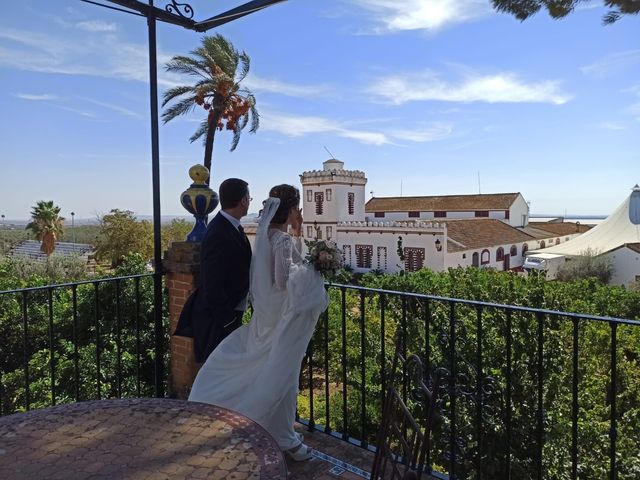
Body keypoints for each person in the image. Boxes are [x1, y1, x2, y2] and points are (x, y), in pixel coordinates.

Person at [188, 184, 328, 461]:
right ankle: (283, 437)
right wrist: (316, 265)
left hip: (265, 316)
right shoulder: (283, 240)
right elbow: (282, 280)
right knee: (283, 376)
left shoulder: (265, 234)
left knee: (275, 372)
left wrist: (298, 238)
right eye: (296, 208)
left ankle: (280, 432)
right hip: (280, 320)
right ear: (291, 209)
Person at [176, 178, 253, 363]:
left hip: (230, 313)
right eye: (249, 198)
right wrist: (228, 322)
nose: (250, 202)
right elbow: (212, 284)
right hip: (218, 319)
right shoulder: (220, 232)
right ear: (243, 200)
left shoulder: (232, 227)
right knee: (218, 370)